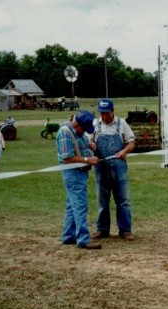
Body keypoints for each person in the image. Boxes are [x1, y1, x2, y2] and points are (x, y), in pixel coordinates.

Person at [90, 99, 136, 241]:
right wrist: (92, 145)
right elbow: (88, 140)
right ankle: (102, 230)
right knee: (102, 200)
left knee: (123, 200)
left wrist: (124, 151)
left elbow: (131, 143)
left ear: (113, 111)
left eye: (107, 113)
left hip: (119, 166)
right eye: (102, 113)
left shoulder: (122, 124)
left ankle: (125, 230)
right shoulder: (94, 125)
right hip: (101, 167)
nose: (104, 116)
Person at [56, 111, 101, 249]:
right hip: (73, 174)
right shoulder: (65, 133)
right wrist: (88, 159)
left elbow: (79, 143)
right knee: (80, 206)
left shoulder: (77, 132)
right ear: (78, 126)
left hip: (80, 174)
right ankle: (83, 239)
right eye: (85, 129)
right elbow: (67, 158)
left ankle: (68, 236)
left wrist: (89, 145)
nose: (84, 132)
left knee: (72, 206)